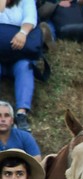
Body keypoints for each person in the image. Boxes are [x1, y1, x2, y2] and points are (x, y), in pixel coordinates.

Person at [0, 0, 38, 132]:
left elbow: (30, 17)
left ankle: (21, 113)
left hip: (19, 52)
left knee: (25, 67)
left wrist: (23, 32)